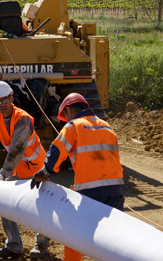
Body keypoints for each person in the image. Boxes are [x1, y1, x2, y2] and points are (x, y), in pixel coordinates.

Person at [30, 93, 125, 261]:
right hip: (116, 192)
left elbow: (57, 150)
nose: (65, 121)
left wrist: (45, 172)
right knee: (114, 241)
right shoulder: (106, 126)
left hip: (91, 194)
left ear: (67, 110)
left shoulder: (74, 125)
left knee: (74, 236)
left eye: (64, 117)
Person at [0, 81, 49, 259]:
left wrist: (2, 174)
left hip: (37, 169)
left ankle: (42, 246)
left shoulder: (22, 118)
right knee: (4, 203)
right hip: (16, 169)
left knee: (41, 208)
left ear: (11, 98)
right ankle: (14, 245)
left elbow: (17, 148)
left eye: (4, 100)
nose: (1, 105)